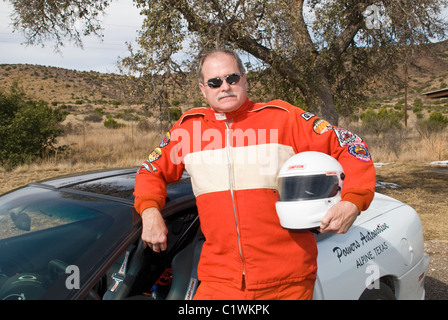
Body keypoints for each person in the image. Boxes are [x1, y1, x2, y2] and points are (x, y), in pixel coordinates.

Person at [133, 48, 376, 300]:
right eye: (214, 82)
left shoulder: (283, 118)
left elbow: (351, 146)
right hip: (219, 281)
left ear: (245, 79)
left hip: (287, 279)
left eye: (232, 78)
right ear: (202, 89)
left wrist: (352, 201)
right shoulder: (188, 130)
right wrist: (150, 211)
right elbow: (149, 172)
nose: (225, 87)